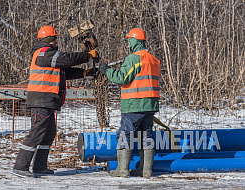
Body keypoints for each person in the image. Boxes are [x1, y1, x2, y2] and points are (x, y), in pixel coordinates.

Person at [13, 25, 98, 178]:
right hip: (41, 99)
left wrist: (85, 73)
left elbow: (64, 72)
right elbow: (67, 59)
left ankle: (39, 167)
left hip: (47, 100)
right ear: (49, 40)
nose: (56, 41)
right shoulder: (44, 53)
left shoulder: (48, 55)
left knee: (49, 133)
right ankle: (20, 166)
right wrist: (88, 56)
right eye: (54, 38)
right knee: (37, 131)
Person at [99, 28, 160, 178]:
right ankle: (146, 170)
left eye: (129, 41)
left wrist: (107, 71)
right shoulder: (153, 60)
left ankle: (122, 170)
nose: (128, 45)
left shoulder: (134, 58)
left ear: (134, 41)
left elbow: (122, 78)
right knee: (146, 135)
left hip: (134, 104)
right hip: (150, 104)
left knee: (125, 134)